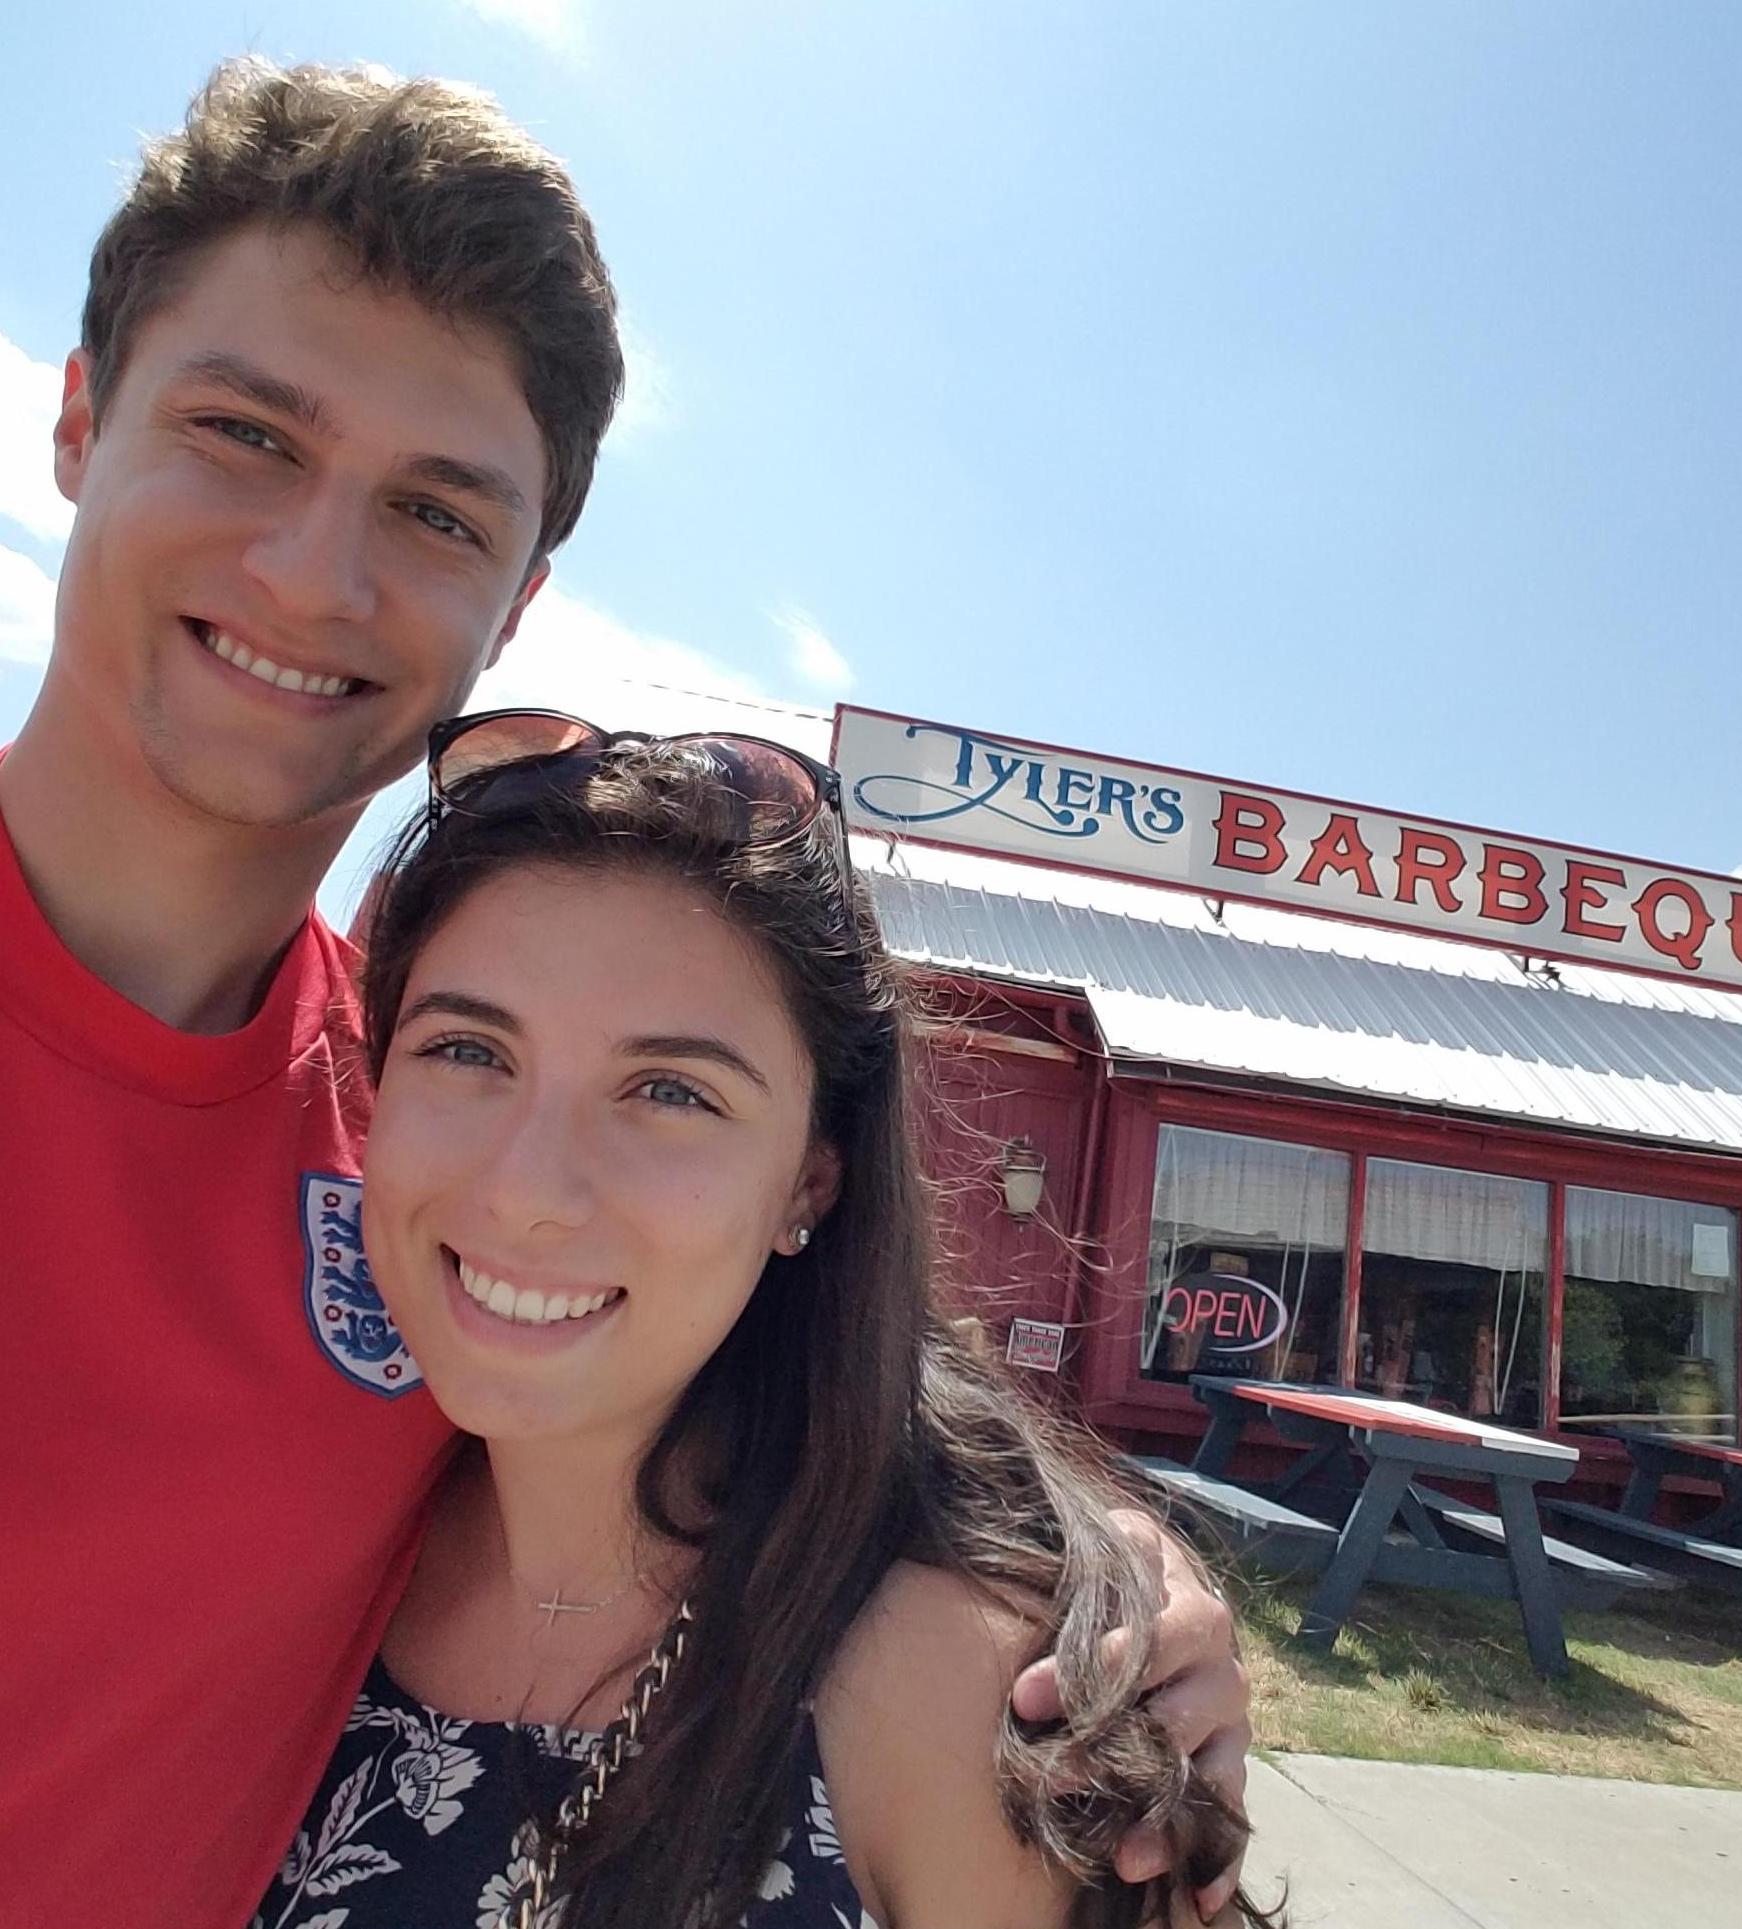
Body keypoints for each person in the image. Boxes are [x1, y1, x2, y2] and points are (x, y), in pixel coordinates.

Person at [0, 59, 1250, 1928]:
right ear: (81, 422)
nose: (311, 568)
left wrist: (1100, 1571)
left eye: (434, 511)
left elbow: (730, 1301)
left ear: (513, 600)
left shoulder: (432, 1126)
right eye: (246, 433)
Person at [256, 714, 1277, 1929]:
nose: (526, 1189)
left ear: (809, 1180)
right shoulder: (295, 1524)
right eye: (470, 1051)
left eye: (671, 1091)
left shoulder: (966, 1694)